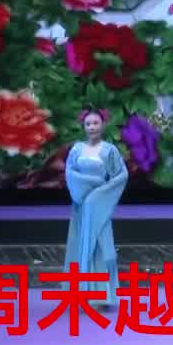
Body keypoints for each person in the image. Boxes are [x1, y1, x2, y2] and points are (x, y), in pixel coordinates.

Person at [64, 109, 128, 309]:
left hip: (99, 206)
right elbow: (70, 174)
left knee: (101, 247)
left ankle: (102, 295)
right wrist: (90, 185)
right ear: (84, 127)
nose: (92, 127)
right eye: (88, 124)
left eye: (96, 123)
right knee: (80, 246)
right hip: (82, 207)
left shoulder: (110, 151)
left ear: (103, 125)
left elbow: (121, 176)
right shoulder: (77, 149)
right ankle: (81, 294)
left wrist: (99, 193)